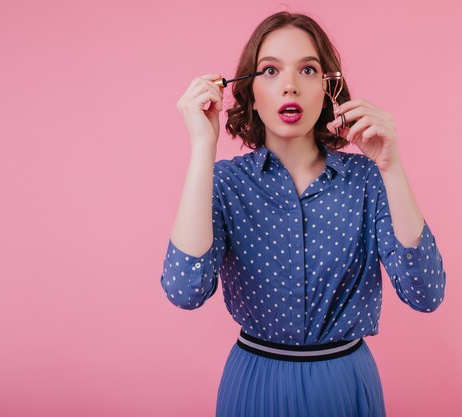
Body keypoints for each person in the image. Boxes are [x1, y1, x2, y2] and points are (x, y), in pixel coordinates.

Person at [160, 10, 446, 417]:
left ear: (329, 89)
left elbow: (425, 293)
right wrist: (202, 147)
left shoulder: (367, 180)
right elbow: (184, 290)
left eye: (307, 70)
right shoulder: (224, 183)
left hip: (346, 389)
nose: (290, 86)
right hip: (254, 388)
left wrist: (392, 167)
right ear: (249, 92)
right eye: (271, 71)